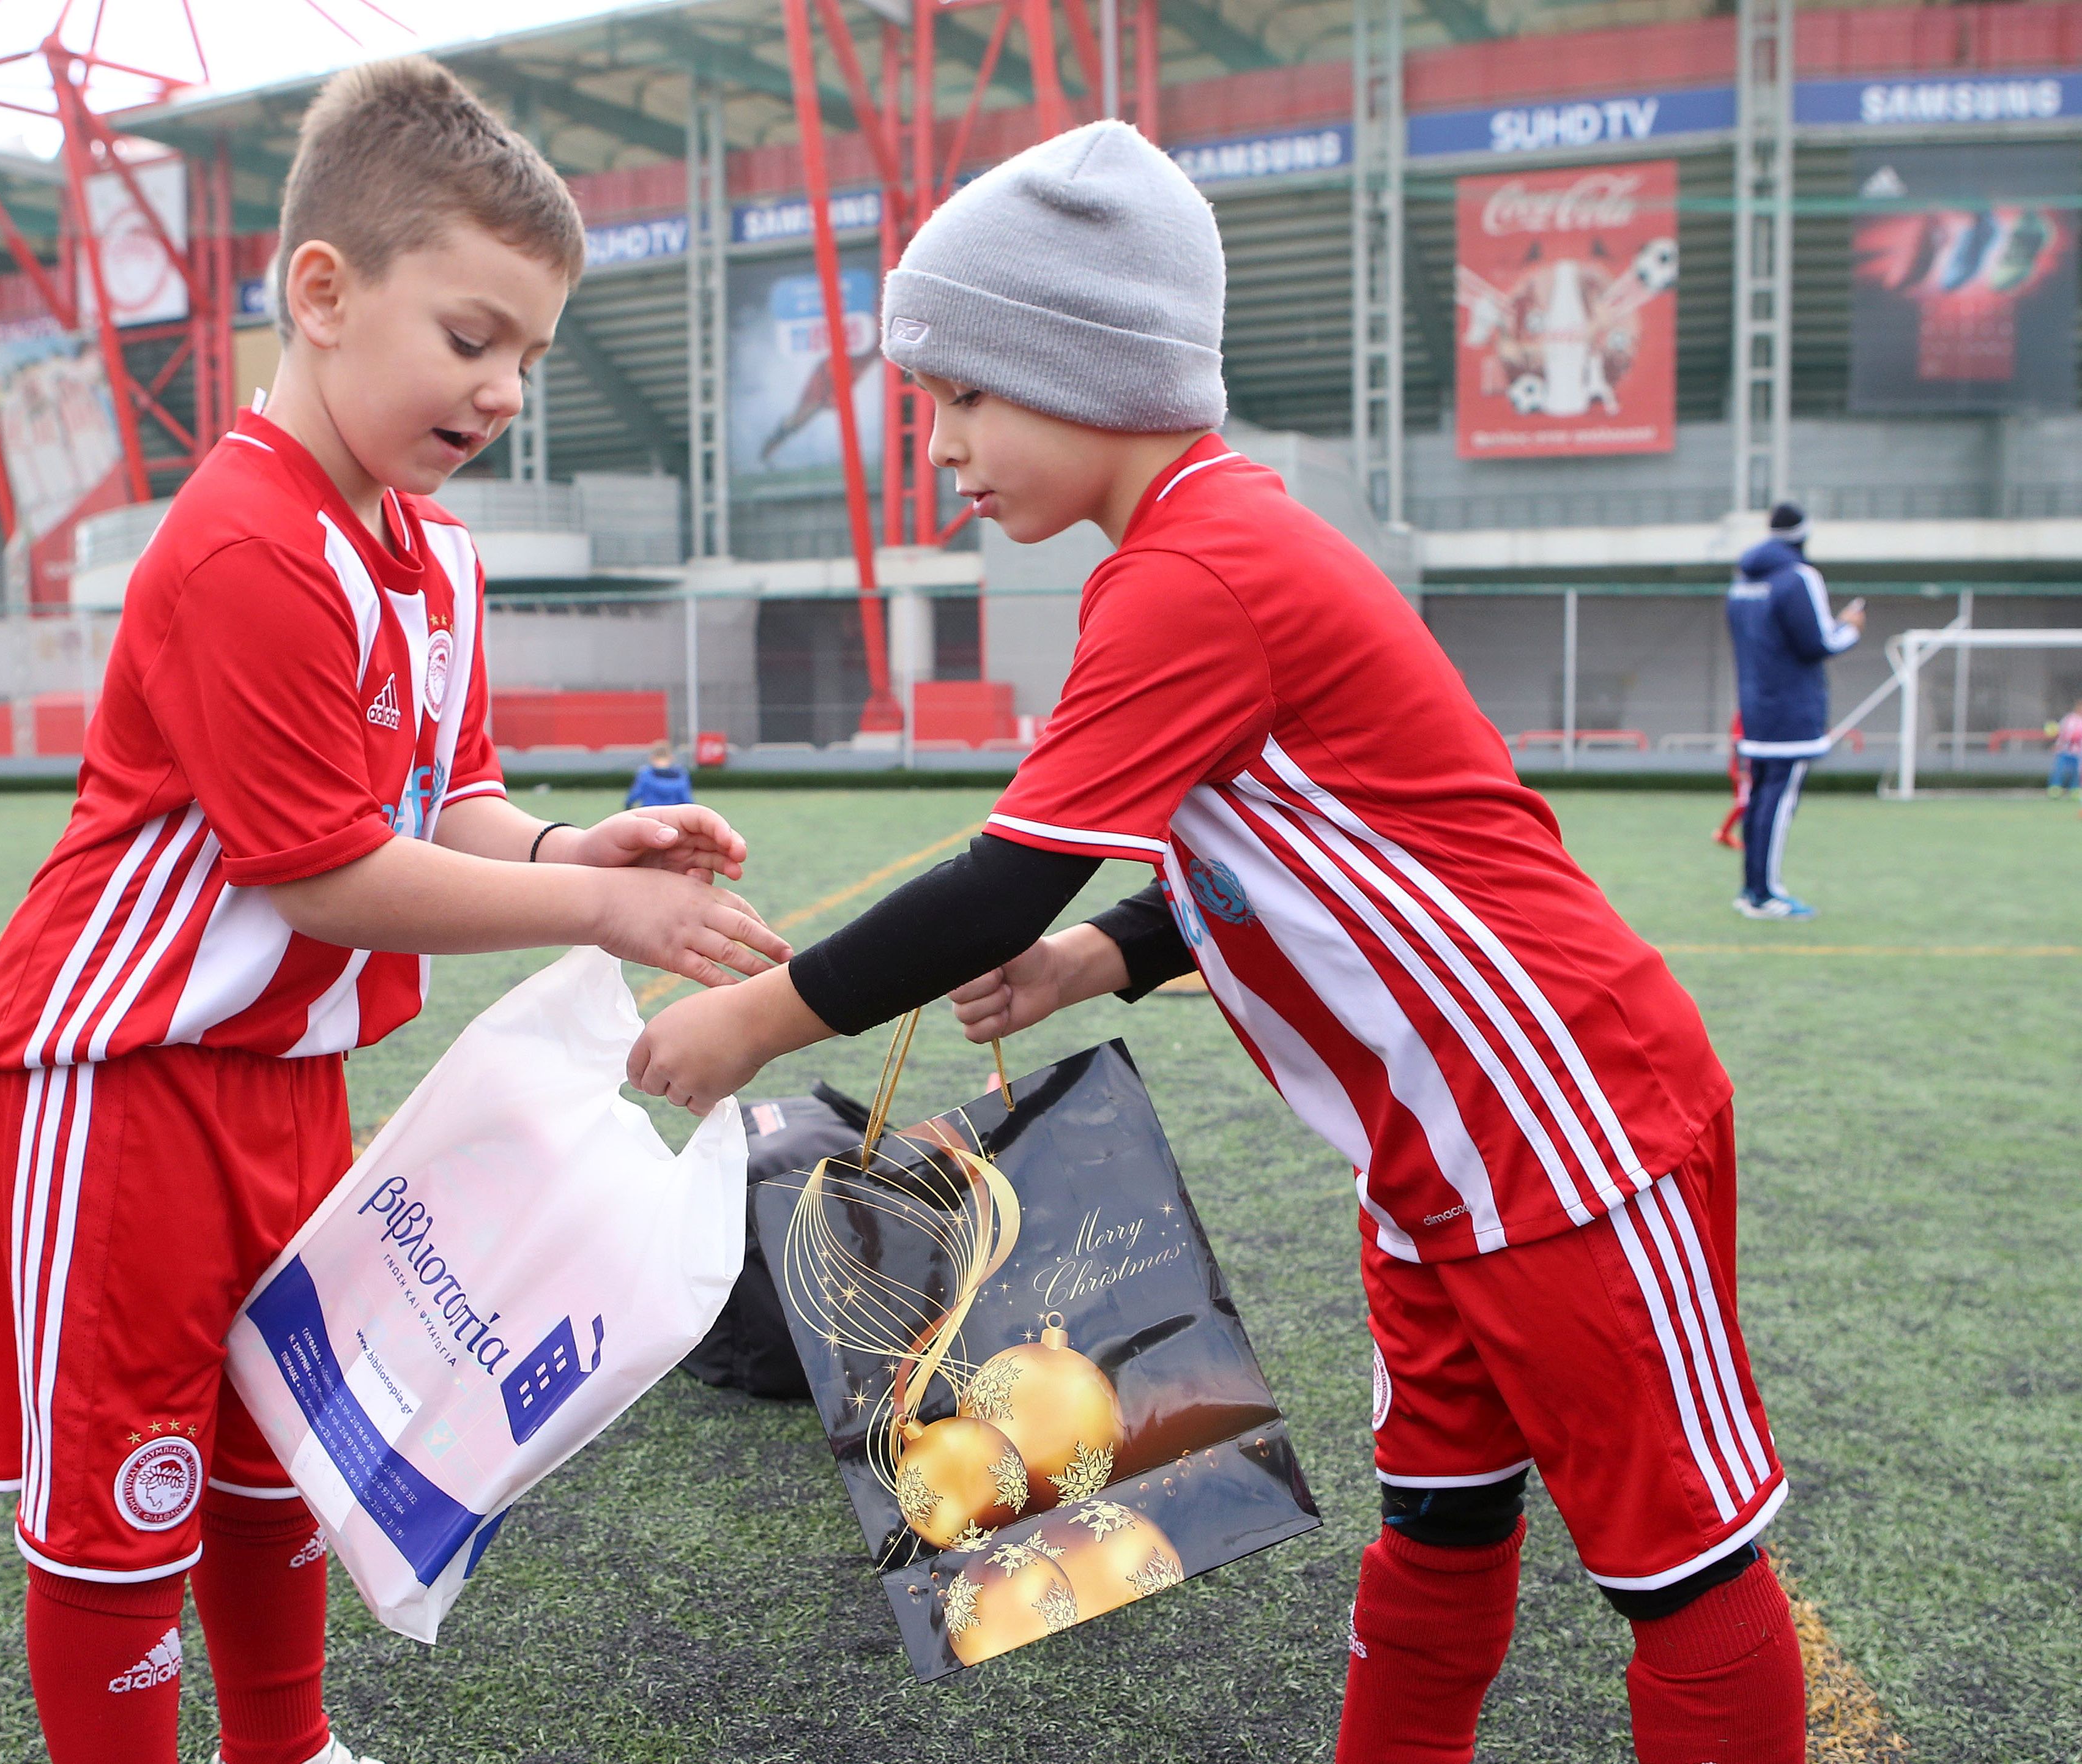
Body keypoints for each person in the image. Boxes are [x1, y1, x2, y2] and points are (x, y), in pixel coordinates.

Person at [629, 121, 1804, 1764]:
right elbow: (1291, 853)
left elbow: (999, 881)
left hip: (1566, 1125)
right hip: (1440, 1158)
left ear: (1087, 369)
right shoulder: (1194, 550)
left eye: (965, 394)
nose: (942, 444)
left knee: (1677, 1570)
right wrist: (1103, 957)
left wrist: (756, 1015)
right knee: (1440, 1531)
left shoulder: (1199, 568)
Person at [0, 58, 788, 1764]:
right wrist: (603, 921)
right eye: (470, 335)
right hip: (120, 1079)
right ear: (324, 294)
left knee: (286, 1436)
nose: (502, 388)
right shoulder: (243, 544)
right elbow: (321, 868)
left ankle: (284, 1744)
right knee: (130, 1490)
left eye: (528, 356)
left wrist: (577, 853)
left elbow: (449, 800)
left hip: (290, 1077)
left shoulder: (435, 557)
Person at [1725, 503, 1864, 919]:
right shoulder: (1800, 577)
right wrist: (1851, 627)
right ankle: (1765, 895)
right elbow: (1819, 643)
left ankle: (1753, 890)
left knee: (1760, 800)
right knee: (1777, 803)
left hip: (1756, 707)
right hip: (1792, 711)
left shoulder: (1743, 580)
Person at [625, 739, 695, 809]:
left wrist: (628, 805)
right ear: (671, 758)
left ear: (652, 758)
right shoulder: (681, 775)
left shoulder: (646, 774)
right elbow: (686, 798)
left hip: (650, 811)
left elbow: (636, 793)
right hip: (673, 813)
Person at [1713, 712, 1749, 848]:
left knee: (1746, 803)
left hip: (1745, 768)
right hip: (1743, 769)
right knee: (1744, 803)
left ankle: (1747, 836)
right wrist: (1743, 769)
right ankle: (1723, 833)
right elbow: (1738, 742)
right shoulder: (1745, 714)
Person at [2047, 697, 2082, 796]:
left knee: (2076, 772)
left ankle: (2075, 790)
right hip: (2064, 751)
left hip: (2078, 753)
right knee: (2059, 770)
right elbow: (2062, 733)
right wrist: (2057, 745)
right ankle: (2055, 789)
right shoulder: (2069, 719)